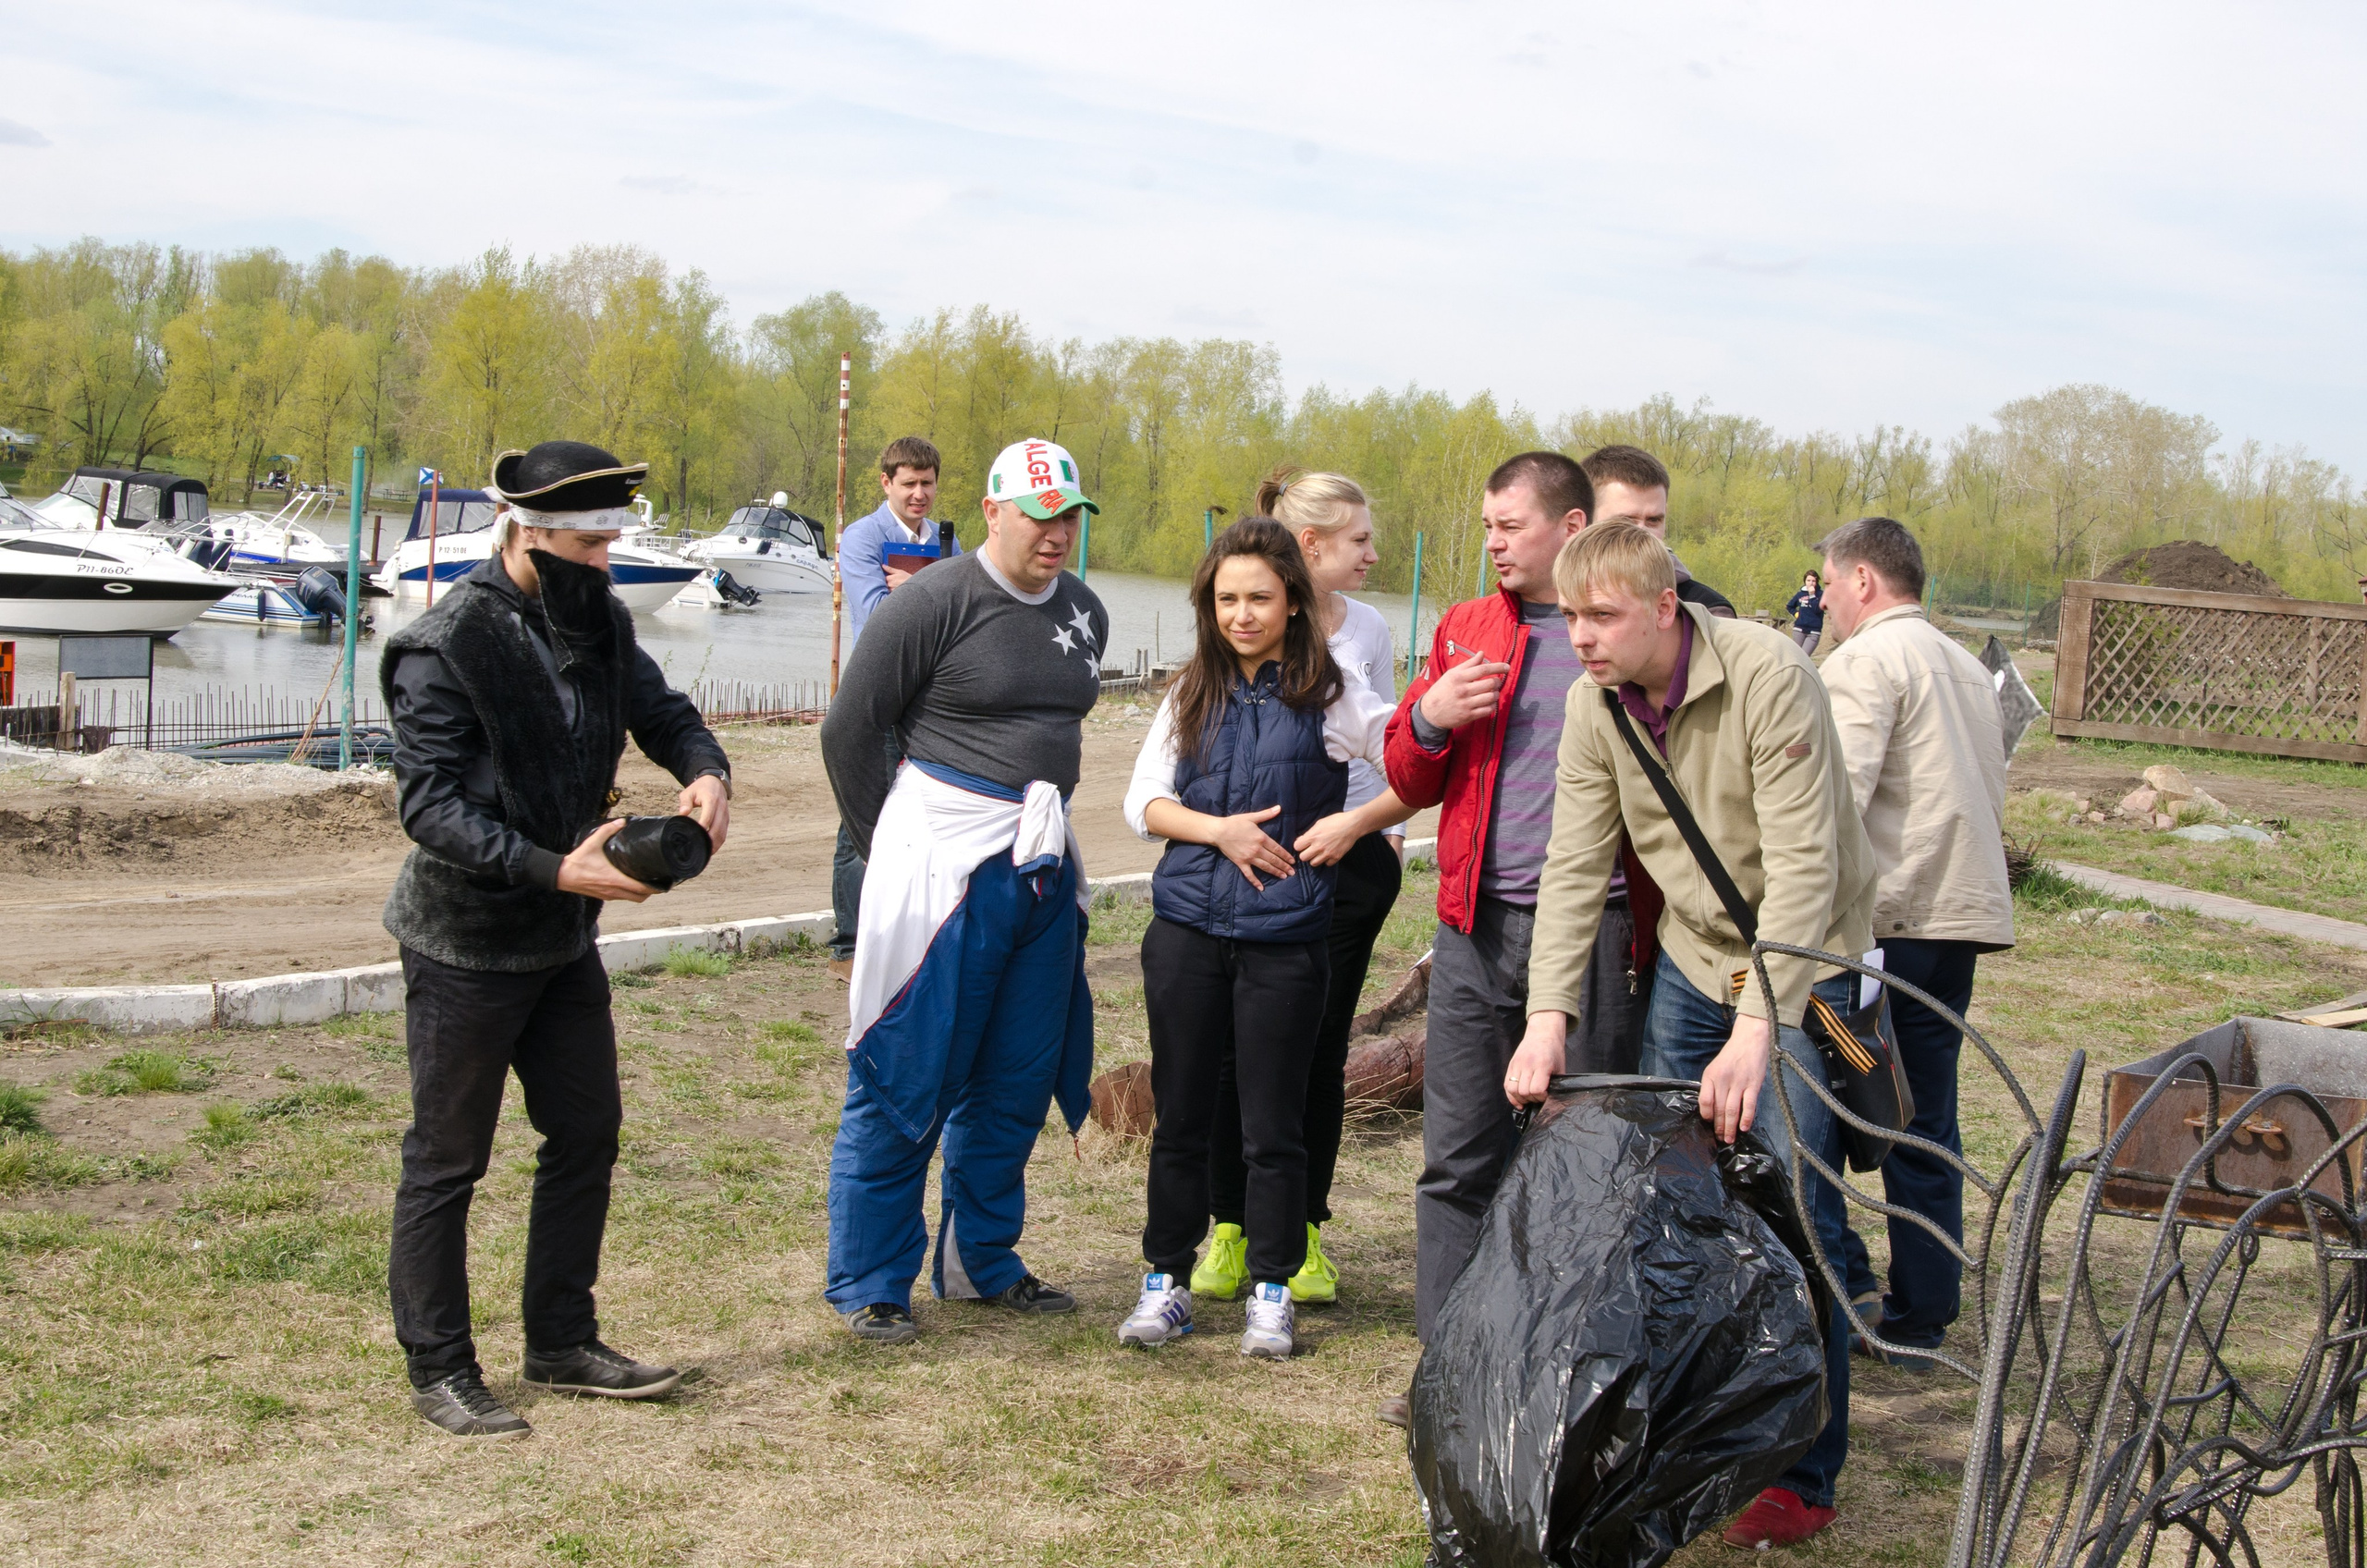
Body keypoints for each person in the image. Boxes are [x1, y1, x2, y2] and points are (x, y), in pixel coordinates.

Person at [1513, 521, 1876, 1550]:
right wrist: (1548, 1024)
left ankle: (1804, 1470)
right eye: (1568, 616)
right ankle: (1698, 1441)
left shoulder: (1769, 671)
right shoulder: (1594, 704)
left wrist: (1760, 1025)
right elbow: (1575, 864)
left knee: (1793, 1218)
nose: (1579, 637)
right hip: (1688, 961)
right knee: (1679, 1216)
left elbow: (1806, 869)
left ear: (1665, 608)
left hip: (1801, 968)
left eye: (1602, 616)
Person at [380, 440, 732, 1439]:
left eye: (613, 538)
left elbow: (667, 716)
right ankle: (441, 1365)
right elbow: (431, 809)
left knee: (586, 1131)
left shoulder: (602, 622)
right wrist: (556, 867)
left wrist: (706, 773)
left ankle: (561, 1340)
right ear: (529, 535)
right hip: (463, 940)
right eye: (591, 543)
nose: (608, 560)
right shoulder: (443, 646)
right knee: (449, 1159)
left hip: (562, 940)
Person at [1380, 452, 1653, 1410]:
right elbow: (1408, 783)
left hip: (1595, 933)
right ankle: (1447, 1376)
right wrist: (1427, 715)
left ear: (1569, 526)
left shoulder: (1626, 634)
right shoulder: (1464, 629)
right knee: (1458, 1159)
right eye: (1486, 525)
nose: (1492, 541)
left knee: (1591, 1165)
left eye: (1510, 525)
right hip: (1472, 926)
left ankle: (1568, 1380)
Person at [820, 435, 1106, 1343]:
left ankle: (979, 1260)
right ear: (990, 511)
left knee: (1017, 1076)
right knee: (907, 1067)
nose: (1054, 533)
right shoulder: (937, 599)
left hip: (1039, 866)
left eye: (1067, 515)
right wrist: (893, 850)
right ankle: (871, 1279)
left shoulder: (1087, 611)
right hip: (939, 863)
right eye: (1036, 514)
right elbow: (850, 732)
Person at [1115, 518, 1395, 1360]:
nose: (1243, 614)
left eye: (1260, 599)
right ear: (1210, 605)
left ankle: (1272, 1292)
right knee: (1183, 1119)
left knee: (1274, 1124)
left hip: (1285, 938)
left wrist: (1355, 827)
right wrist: (1220, 832)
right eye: (1227, 599)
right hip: (1186, 933)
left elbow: (1414, 767)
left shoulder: (1335, 691)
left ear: (1293, 603)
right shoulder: (1189, 690)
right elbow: (1144, 805)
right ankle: (1164, 1281)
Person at [1191, 468, 1413, 1311]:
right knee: (1230, 1051)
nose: (1372, 553)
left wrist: (1379, 838)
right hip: (1249, 861)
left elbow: (1393, 747)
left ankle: (1305, 1226)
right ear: (1309, 547)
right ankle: (1230, 1222)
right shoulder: (1239, 625)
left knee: (1318, 1049)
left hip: (1345, 868)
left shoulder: (1371, 630)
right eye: (1358, 540)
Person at [1814, 518, 2014, 1369]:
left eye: (1826, 584)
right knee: (1926, 1114)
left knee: (1834, 1107)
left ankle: (1838, 1280)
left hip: (1891, 920)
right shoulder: (1967, 664)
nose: (1823, 602)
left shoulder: (1865, 661)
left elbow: (1836, 798)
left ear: (1863, 579)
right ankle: (1923, 1307)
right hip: (1958, 915)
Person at [826, 436, 961, 981]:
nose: (920, 494)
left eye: (927, 483)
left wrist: (920, 587)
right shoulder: (861, 538)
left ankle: (911, 936)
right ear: (886, 483)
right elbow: (877, 614)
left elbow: (965, 617)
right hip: (876, 697)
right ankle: (850, 945)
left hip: (930, 702)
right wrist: (929, 591)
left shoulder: (948, 542)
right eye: (908, 483)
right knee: (862, 818)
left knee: (926, 815)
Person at [1579, 443, 1736, 617]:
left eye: (1653, 521)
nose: (1643, 534)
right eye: (1625, 522)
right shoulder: (1550, 604)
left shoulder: (1705, 611)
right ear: (1583, 521)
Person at [1786, 570, 1827, 655]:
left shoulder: (1821, 594)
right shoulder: (1800, 594)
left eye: (1813, 581)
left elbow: (1817, 609)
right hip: (1799, 629)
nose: (1811, 583)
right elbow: (1789, 606)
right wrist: (1797, 614)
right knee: (1795, 656)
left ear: (1817, 582)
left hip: (1813, 631)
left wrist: (1812, 595)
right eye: (1808, 581)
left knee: (1804, 657)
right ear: (1805, 581)